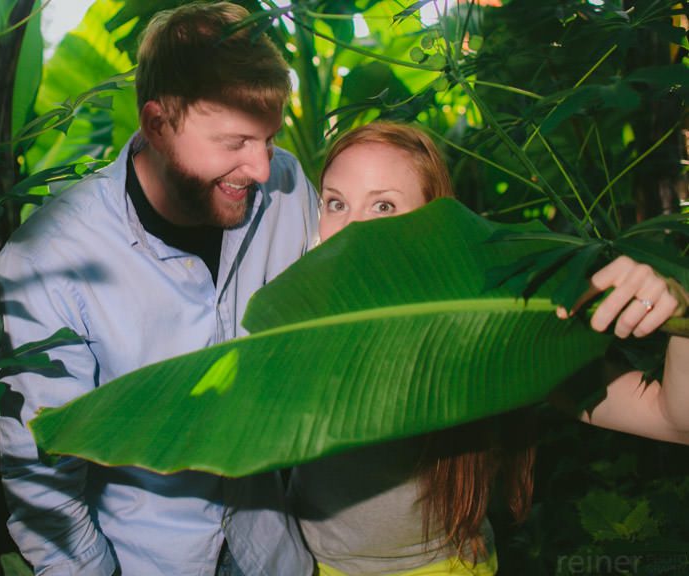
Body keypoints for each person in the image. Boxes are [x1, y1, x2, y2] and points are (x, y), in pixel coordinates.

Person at [0, 3, 319, 575]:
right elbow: (43, 474)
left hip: (276, 547)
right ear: (157, 124)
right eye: (234, 141)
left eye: (268, 138)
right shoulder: (47, 263)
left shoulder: (284, 185)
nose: (262, 168)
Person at [289, 121, 689, 576]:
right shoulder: (288, 324)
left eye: (383, 205)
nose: (351, 229)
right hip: (307, 565)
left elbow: (675, 421)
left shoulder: (493, 326)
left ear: (435, 224)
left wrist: (683, 316)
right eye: (336, 203)